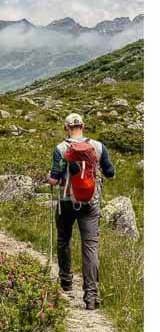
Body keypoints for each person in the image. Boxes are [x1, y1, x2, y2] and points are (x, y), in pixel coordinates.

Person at [47, 113, 115, 310]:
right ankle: (91, 297)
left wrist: (49, 178)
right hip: (91, 202)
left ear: (66, 128)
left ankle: (66, 282)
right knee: (90, 246)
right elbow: (111, 174)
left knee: (64, 240)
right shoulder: (98, 147)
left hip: (67, 202)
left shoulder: (61, 148)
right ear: (82, 126)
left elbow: (54, 179)